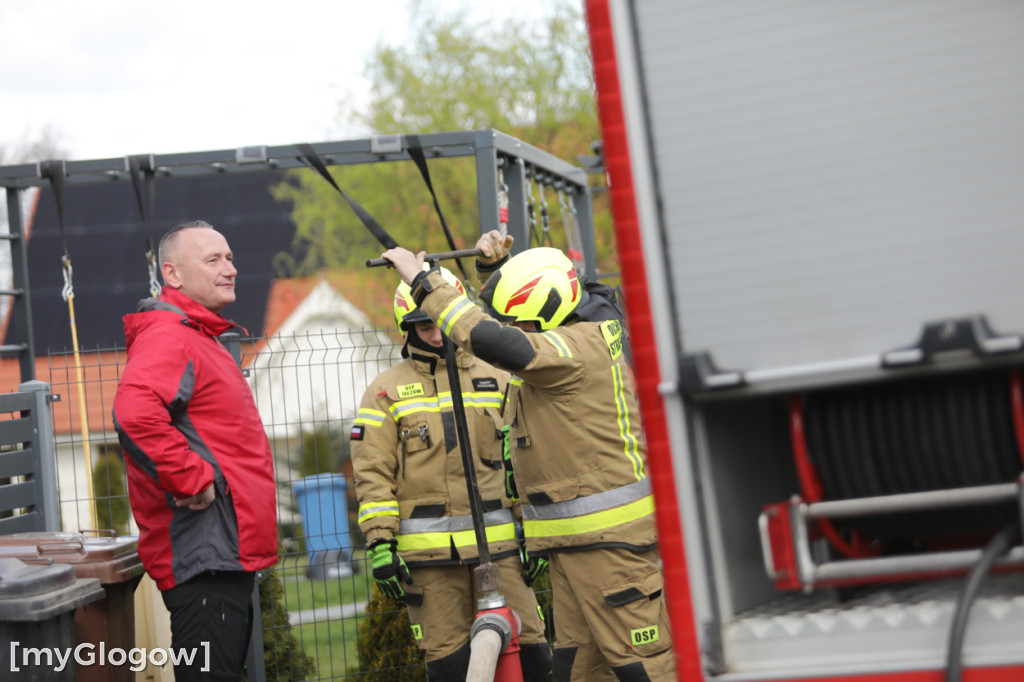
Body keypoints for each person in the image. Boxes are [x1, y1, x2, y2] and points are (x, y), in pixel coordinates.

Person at [382, 234, 676, 682]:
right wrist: (493, 272)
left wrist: (423, 282)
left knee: (646, 670)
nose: (515, 331)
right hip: (577, 547)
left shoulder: (575, 348)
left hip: (609, 549)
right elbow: (500, 333)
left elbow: (495, 342)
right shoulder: (572, 332)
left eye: (522, 323)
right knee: (581, 671)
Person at [351, 266, 553, 681]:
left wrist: (536, 532)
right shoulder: (384, 391)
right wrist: (380, 543)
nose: (437, 335)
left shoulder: (497, 377)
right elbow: (372, 472)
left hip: (501, 551)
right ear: (407, 328)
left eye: (441, 323)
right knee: (449, 665)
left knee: (531, 653)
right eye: (424, 325)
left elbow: (523, 461)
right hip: (429, 562)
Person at [113, 220, 278, 681]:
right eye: (213, 260)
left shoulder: (196, 336)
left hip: (221, 552)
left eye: (228, 258)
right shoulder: (172, 337)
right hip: (204, 556)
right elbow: (134, 410)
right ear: (173, 274)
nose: (230, 269)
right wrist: (192, 478)